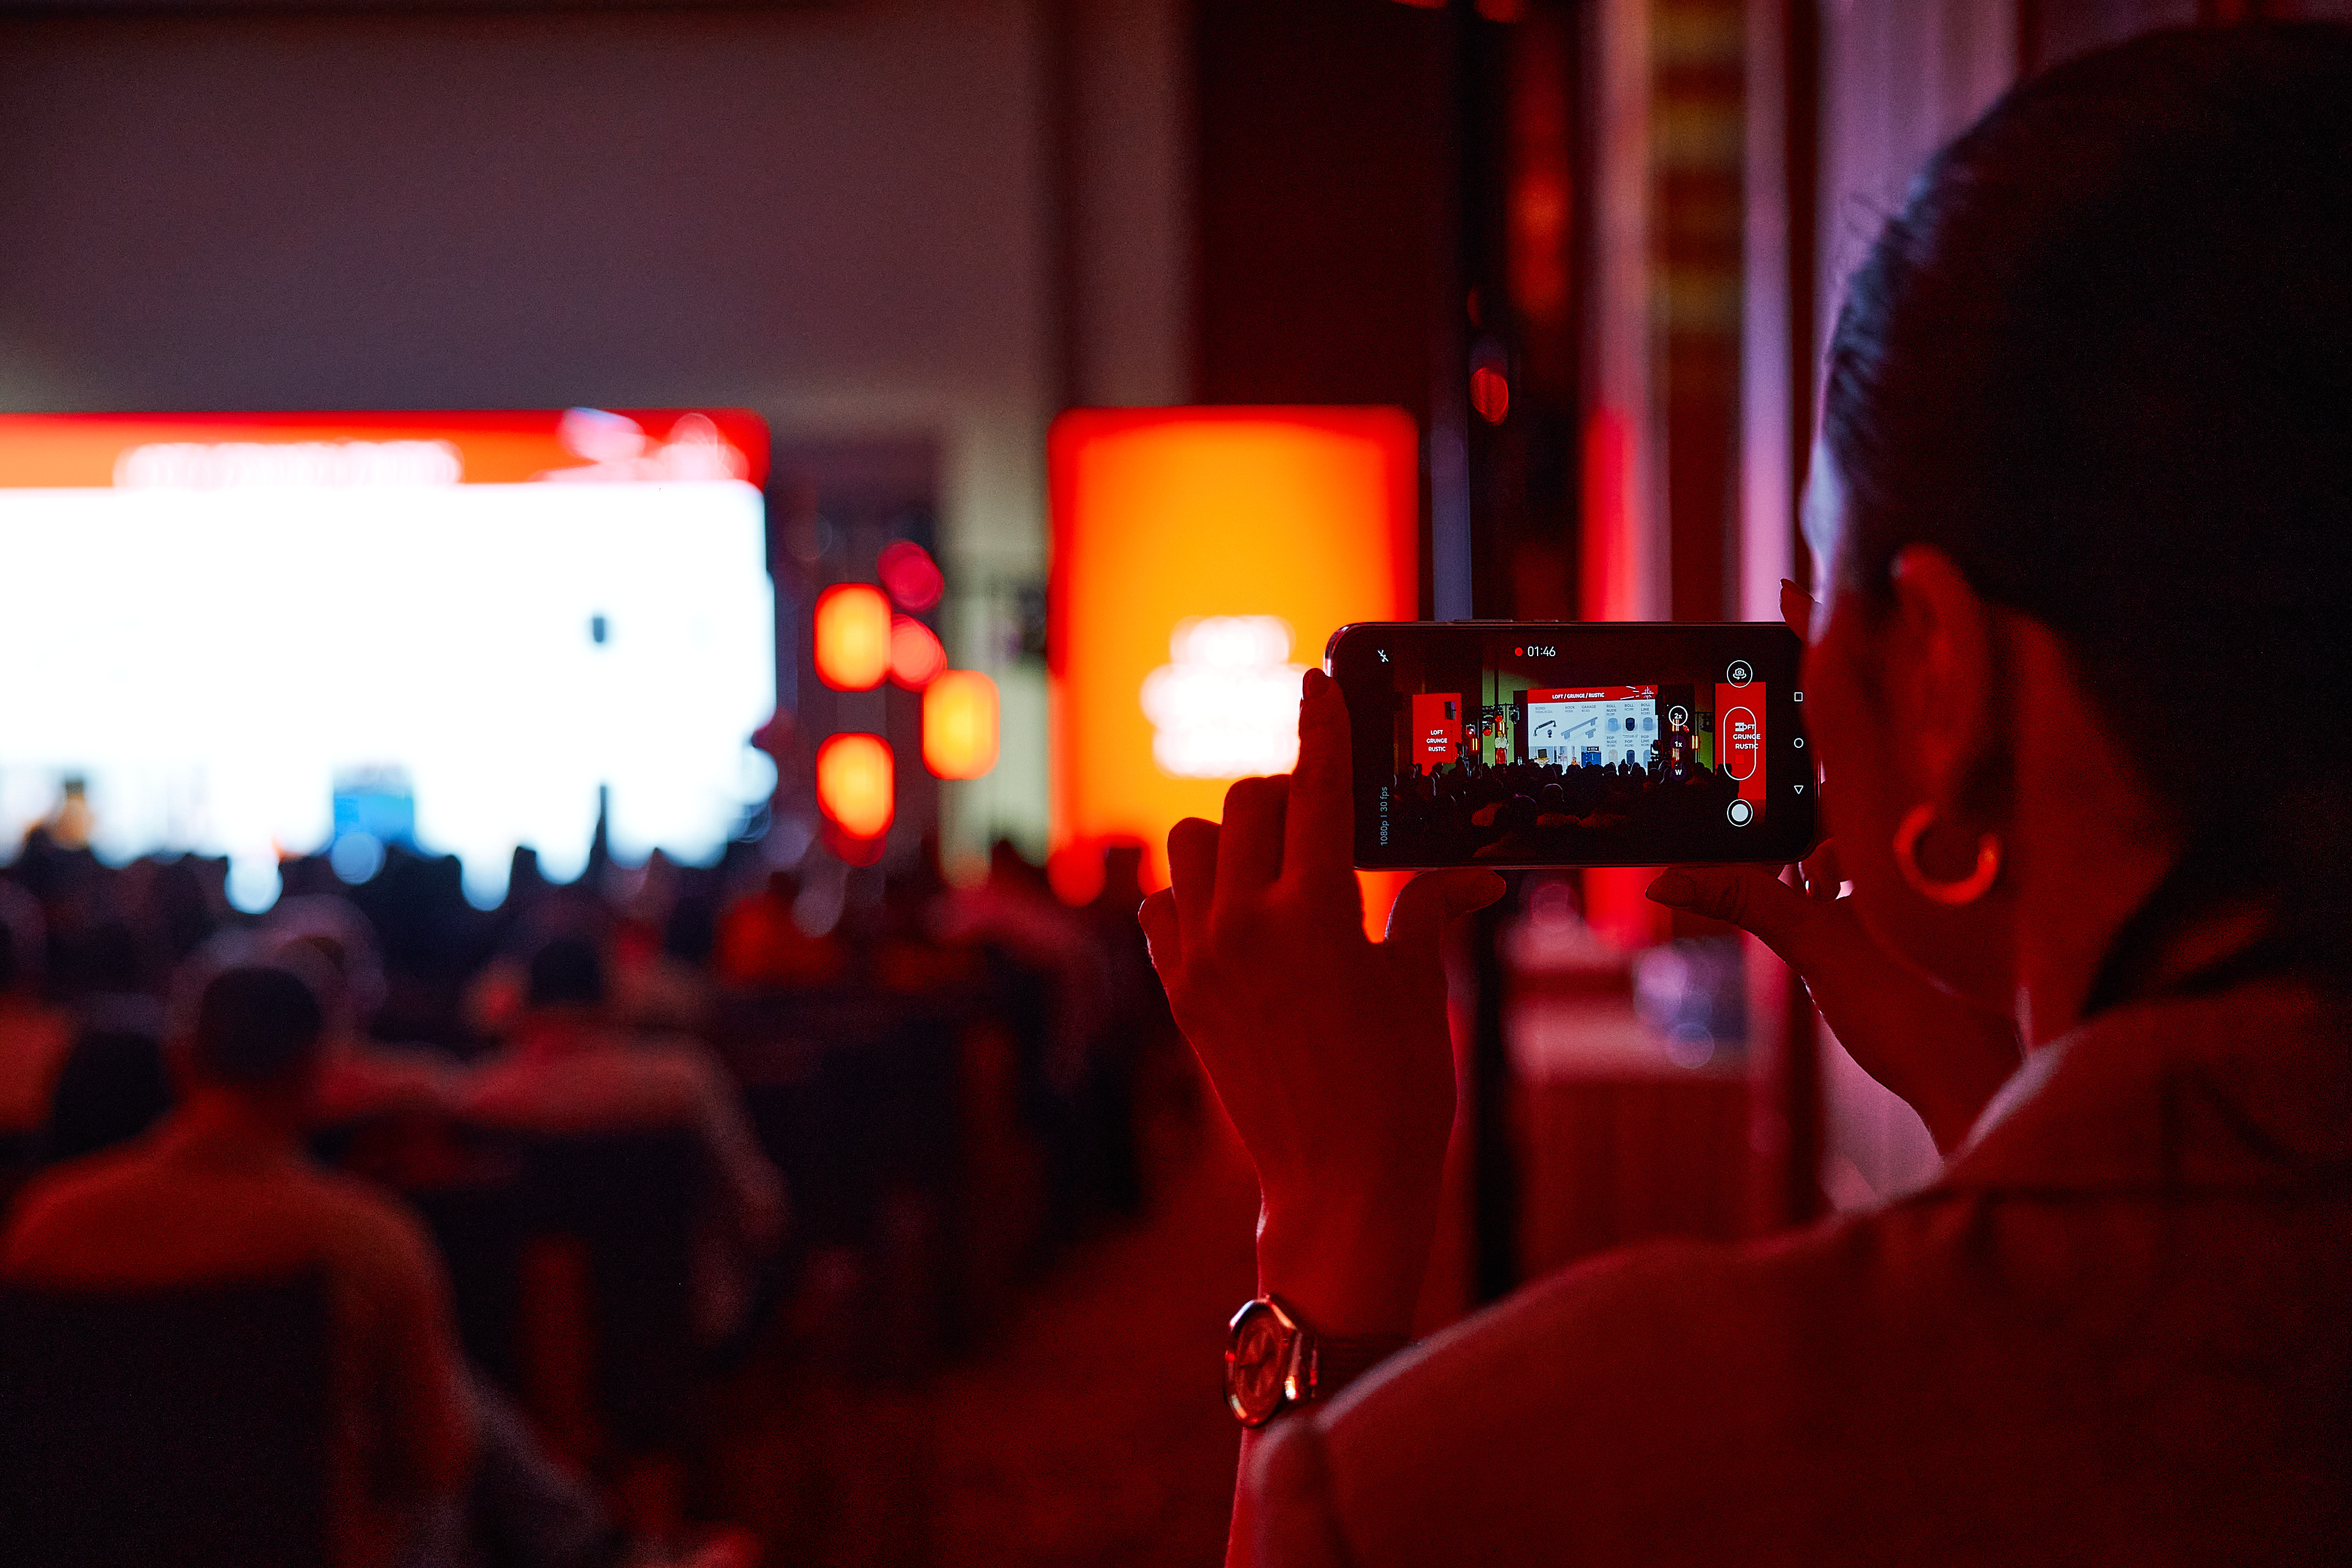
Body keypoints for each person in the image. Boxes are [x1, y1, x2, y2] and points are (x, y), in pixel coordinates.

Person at [1142, 25, 2352, 1565]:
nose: (1797, 649)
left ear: (1940, 671)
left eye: (1823, 587)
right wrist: (1996, 1094)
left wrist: (1327, 1217)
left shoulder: (1549, 1459)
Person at [2, 961, 477, 1568]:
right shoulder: (368, 1238)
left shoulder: (48, 1223)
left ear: (181, 1060)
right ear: (314, 1069)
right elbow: (436, 1459)